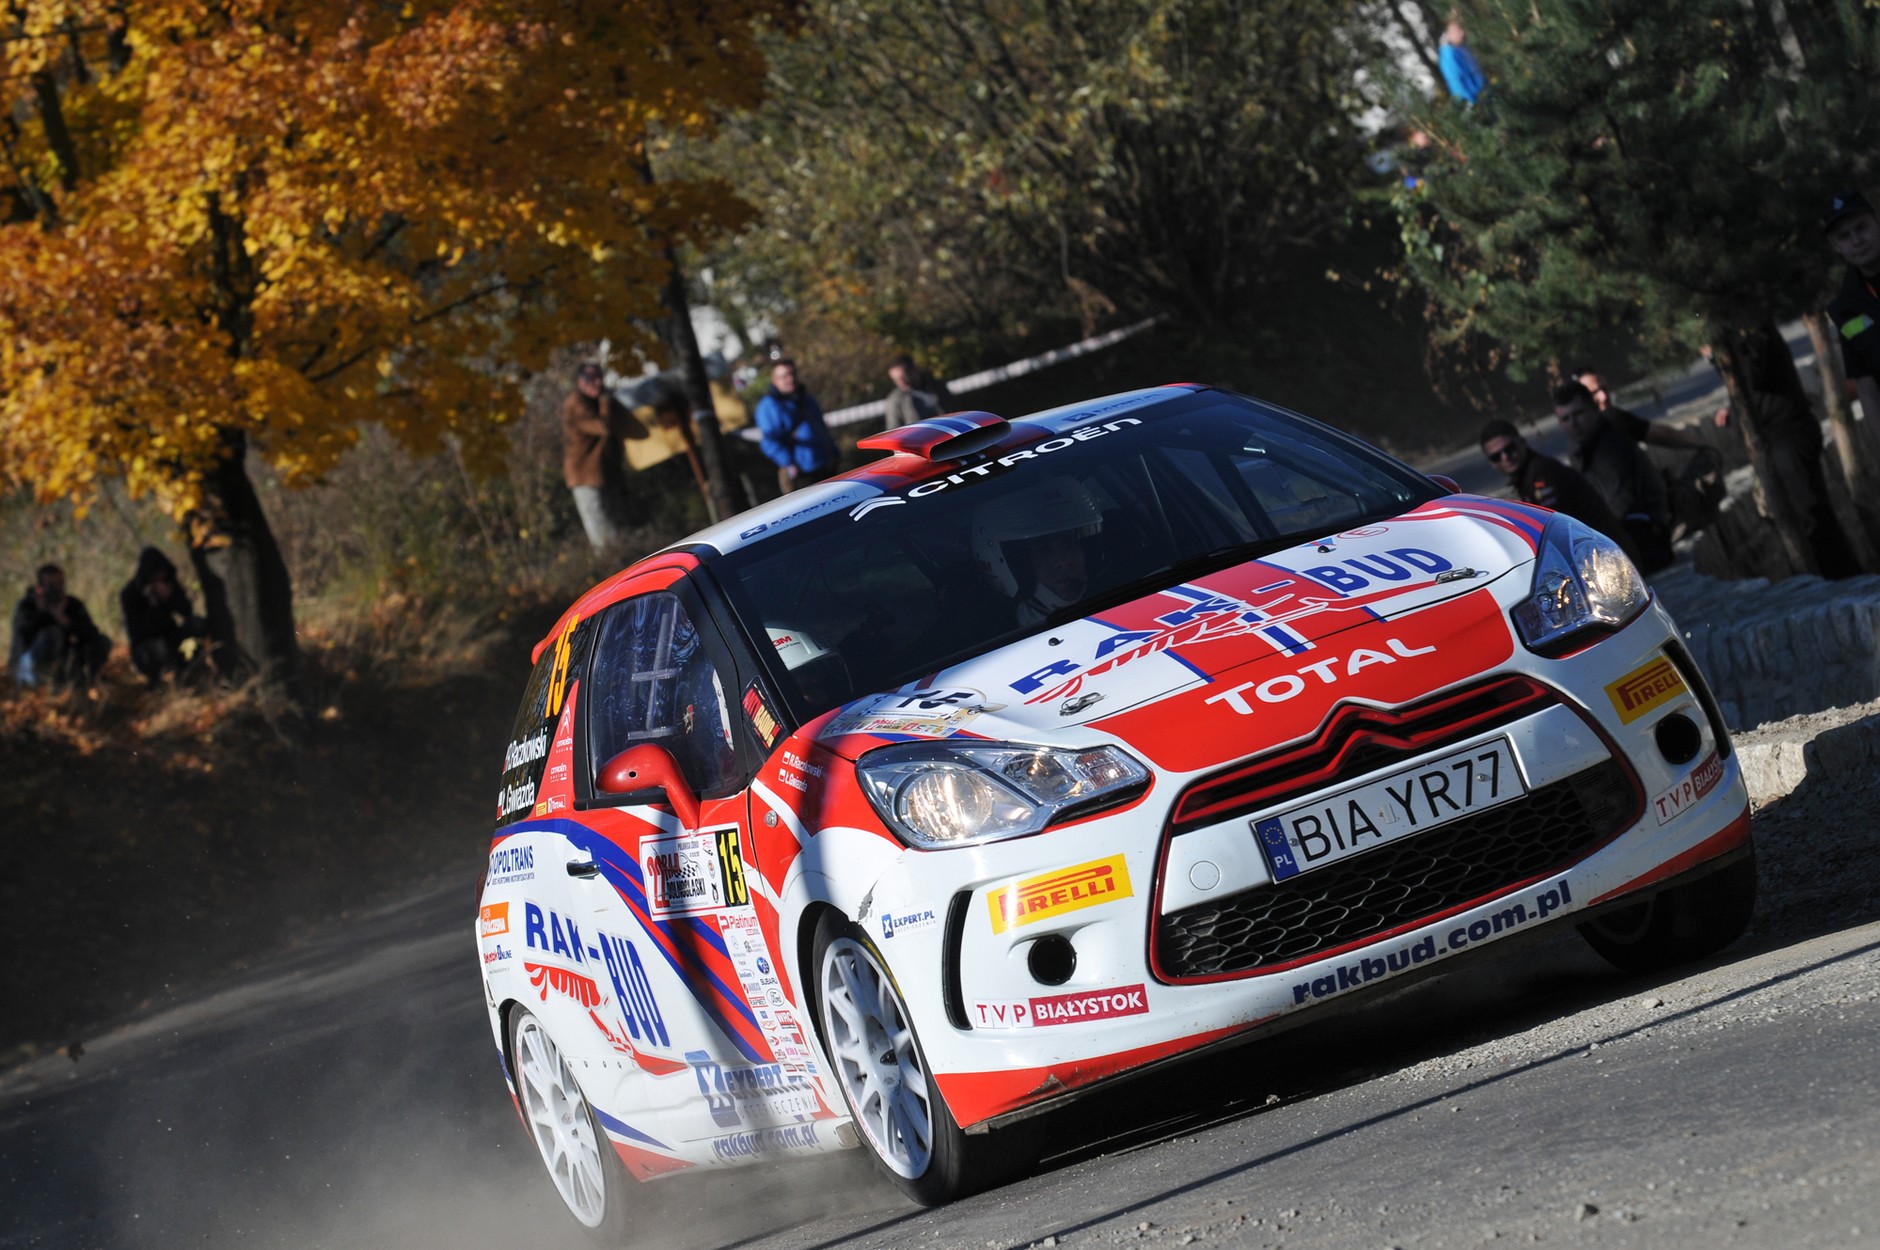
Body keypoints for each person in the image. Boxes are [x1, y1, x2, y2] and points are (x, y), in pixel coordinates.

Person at [1478, 420, 1643, 564]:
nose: (1505, 457)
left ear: (1522, 442)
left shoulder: (1543, 473)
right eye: (1496, 457)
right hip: (1599, 553)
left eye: (1509, 448)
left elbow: (1553, 532)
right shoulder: (1528, 476)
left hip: (1609, 557)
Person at [1554, 382, 1676, 572]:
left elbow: (1621, 503)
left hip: (1644, 536)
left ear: (1593, 408)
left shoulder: (1612, 443)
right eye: (1565, 419)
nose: (1573, 424)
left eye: (1578, 414)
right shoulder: (1577, 445)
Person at [972, 477, 1106, 627]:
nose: (1063, 560)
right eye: (1043, 549)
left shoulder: (1128, 588)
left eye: (1069, 543)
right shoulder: (990, 641)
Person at [561, 362, 628, 553]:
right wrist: (606, 401)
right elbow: (603, 427)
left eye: (600, 378)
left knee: (615, 528)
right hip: (585, 477)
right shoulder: (576, 403)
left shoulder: (591, 400)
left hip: (601, 474)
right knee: (602, 534)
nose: (598, 383)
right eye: (592, 379)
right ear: (580, 382)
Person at [10, 564, 111, 687]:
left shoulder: (72, 604)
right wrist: (42, 612)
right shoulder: (27, 606)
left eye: (60, 583)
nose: (57, 589)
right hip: (32, 664)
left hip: (65, 662)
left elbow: (91, 633)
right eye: (51, 586)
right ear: (39, 588)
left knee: (103, 641)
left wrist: (65, 620)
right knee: (53, 634)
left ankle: (84, 681)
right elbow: (21, 640)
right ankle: (42, 684)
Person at [120, 547, 208, 686]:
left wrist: (170, 598)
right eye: (155, 576)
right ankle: (155, 681)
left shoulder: (169, 584)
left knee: (197, 624)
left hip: (171, 637)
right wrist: (152, 604)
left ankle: (189, 672)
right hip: (148, 646)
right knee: (154, 648)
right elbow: (136, 632)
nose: (160, 578)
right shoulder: (130, 593)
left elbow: (187, 612)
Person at [754, 358, 838, 493]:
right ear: (774, 381)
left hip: (826, 466)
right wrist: (789, 463)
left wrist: (833, 451)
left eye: (792, 374)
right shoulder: (768, 406)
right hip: (802, 474)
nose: (790, 379)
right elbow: (769, 442)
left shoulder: (806, 399)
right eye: (784, 376)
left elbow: (820, 427)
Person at [882, 354, 953, 430]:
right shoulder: (895, 401)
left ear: (913, 370)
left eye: (903, 377)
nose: (901, 383)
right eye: (896, 380)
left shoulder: (936, 386)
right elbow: (893, 431)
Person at [1439, 19, 1487, 108]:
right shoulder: (1449, 56)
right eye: (1457, 31)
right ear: (1448, 35)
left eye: (1462, 30)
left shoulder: (1461, 48)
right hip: (1476, 102)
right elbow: (1457, 83)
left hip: (1484, 95)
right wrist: (1473, 103)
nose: (1462, 33)